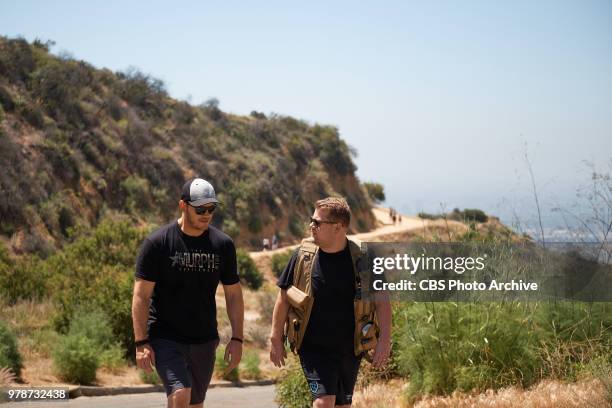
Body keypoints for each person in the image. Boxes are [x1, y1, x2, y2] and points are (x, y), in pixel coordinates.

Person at [132, 177, 244, 408]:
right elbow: (141, 296)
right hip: (166, 336)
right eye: (200, 208)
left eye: (211, 208)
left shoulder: (223, 245)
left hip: (205, 338)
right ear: (183, 205)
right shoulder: (158, 243)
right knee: (180, 393)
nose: (206, 214)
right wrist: (141, 342)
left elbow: (233, 294)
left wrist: (237, 338)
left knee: (194, 404)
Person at [269, 197, 391, 408]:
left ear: (338, 227)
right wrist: (275, 338)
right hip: (313, 348)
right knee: (323, 403)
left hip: (350, 349)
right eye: (312, 220)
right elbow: (283, 298)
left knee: (342, 406)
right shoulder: (302, 256)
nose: (311, 226)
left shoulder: (364, 259)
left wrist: (384, 341)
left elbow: (382, 303)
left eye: (317, 223)